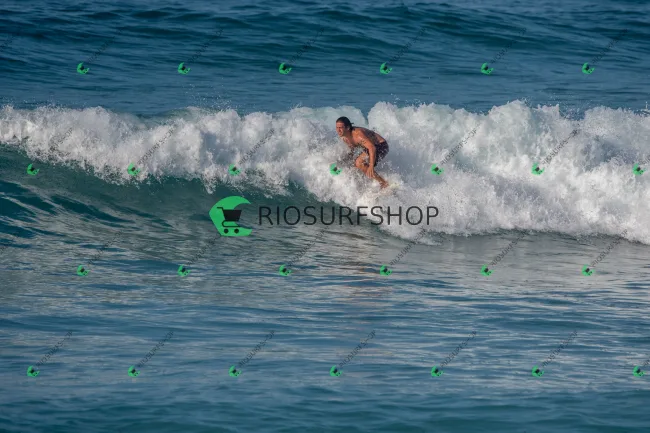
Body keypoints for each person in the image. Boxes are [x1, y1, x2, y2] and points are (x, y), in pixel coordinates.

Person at [335, 116, 389, 188]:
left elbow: (372, 148)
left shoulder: (358, 135)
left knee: (359, 162)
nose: (338, 130)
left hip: (381, 146)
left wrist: (371, 165)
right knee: (354, 165)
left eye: (340, 128)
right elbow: (352, 150)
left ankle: (384, 183)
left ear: (347, 128)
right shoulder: (344, 137)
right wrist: (345, 162)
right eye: (337, 127)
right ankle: (366, 184)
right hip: (370, 147)